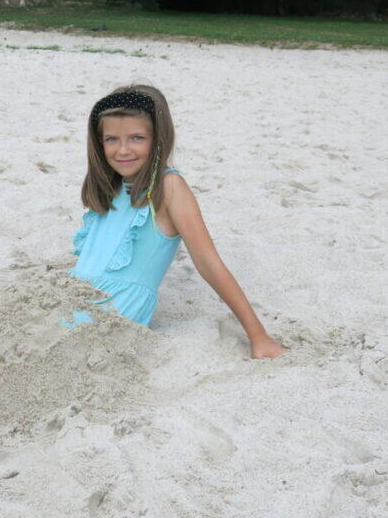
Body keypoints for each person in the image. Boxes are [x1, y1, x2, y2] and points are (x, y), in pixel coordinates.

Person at [68, 85, 286, 359]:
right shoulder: (111, 186)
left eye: (137, 138)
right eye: (111, 139)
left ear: (159, 138)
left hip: (110, 318)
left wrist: (259, 336)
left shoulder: (169, 187)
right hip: (70, 301)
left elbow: (209, 263)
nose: (123, 150)